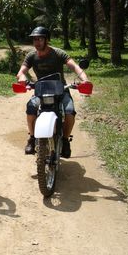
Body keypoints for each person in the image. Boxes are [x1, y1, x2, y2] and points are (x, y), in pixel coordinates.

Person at [16, 26, 90, 158]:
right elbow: (21, 72)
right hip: (41, 90)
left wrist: (84, 79)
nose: (37, 42)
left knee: (70, 111)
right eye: (35, 39)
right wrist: (21, 78)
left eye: (40, 39)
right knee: (31, 108)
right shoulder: (31, 56)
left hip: (60, 89)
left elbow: (74, 66)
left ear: (47, 40)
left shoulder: (58, 53)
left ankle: (65, 140)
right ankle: (32, 138)